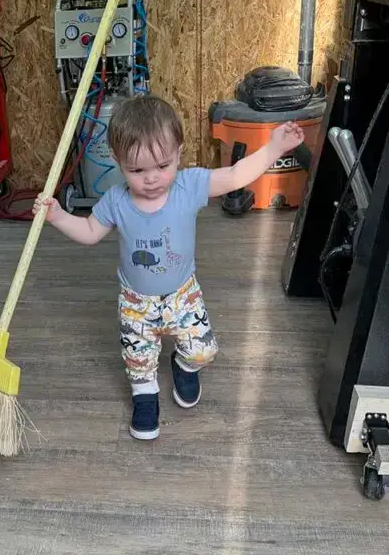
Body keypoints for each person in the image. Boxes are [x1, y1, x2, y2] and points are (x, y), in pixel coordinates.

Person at [34, 95, 305, 440]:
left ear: (179, 152)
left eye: (162, 166)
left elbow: (237, 175)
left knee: (204, 350)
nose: (151, 179)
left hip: (182, 295)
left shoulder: (189, 186)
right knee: (138, 360)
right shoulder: (116, 200)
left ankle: (183, 364)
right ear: (118, 162)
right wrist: (57, 216)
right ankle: (144, 395)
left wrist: (274, 148)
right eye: (136, 170)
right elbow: (88, 233)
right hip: (136, 302)